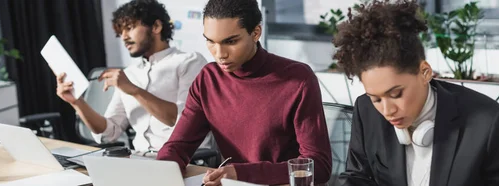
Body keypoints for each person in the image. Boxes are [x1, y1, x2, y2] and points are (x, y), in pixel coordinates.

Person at [333, 1, 499, 185]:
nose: (387, 110)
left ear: (424, 72)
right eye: (376, 98)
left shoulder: (490, 123)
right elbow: (357, 177)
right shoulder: (367, 110)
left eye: (396, 94)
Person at [155, 0, 332, 185]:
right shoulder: (208, 79)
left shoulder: (298, 79)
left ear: (256, 33)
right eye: (210, 41)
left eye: (230, 41)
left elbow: (319, 166)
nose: (219, 53)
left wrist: (241, 173)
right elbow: (178, 146)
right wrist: (162, 171)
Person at [56, 0, 209, 153]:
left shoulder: (190, 62)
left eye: (129, 28)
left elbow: (183, 122)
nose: (123, 37)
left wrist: (134, 90)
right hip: (141, 160)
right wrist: (77, 102)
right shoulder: (130, 73)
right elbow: (108, 133)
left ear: (156, 27)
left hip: (186, 160)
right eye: (120, 32)